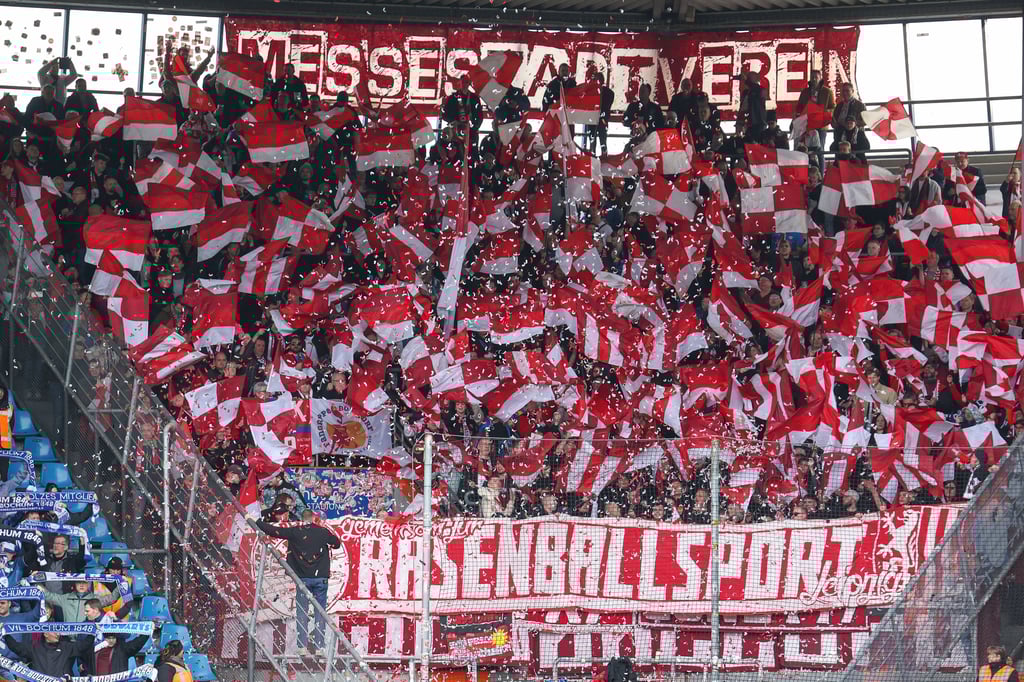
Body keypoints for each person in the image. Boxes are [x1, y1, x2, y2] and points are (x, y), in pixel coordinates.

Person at [253, 509, 340, 653]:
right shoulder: (323, 532)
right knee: (320, 612)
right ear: (313, 518)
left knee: (302, 612)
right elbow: (336, 543)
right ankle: (319, 647)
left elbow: (273, 531)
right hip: (320, 579)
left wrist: (256, 521)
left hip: (303, 578)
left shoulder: (295, 532)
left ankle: (302, 647)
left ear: (301, 518)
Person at [1, 629, 92, 677]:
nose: (58, 633)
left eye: (58, 631)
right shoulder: (35, 647)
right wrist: (5, 634)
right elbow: (16, 647)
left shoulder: (66, 646)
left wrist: (92, 632)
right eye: (54, 631)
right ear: (45, 634)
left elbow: (84, 645)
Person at [795, 70, 835, 170]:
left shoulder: (827, 91)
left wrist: (822, 112)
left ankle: (820, 174)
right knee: (805, 149)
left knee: (820, 150)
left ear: (820, 78)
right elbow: (799, 107)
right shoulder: (805, 92)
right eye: (812, 77)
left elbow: (832, 107)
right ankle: (808, 173)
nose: (813, 79)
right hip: (807, 124)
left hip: (821, 124)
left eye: (816, 77)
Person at [585, 72, 614, 156]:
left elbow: (607, 105)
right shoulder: (590, 93)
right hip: (592, 120)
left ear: (602, 81)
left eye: (599, 80)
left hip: (603, 120)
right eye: (595, 80)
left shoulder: (608, 93)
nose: (597, 82)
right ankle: (592, 158)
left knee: (603, 141)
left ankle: (604, 159)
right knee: (592, 141)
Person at [831, 82, 865, 149]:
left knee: (857, 156)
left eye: (847, 91)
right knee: (839, 155)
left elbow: (865, 121)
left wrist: (852, 124)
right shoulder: (839, 105)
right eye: (843, 91)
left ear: (852, 91)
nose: (845, 93)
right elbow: (834, 118)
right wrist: (833, 123)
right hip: (840, 134)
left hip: (854, 135)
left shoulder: (860, 105)